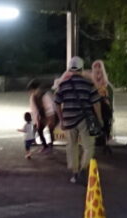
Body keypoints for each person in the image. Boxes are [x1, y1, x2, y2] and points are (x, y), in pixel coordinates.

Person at [53, 56, 102, 184]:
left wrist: (61, 119)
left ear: (70, 68)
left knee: (71, 146)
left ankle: (74, 172)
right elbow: (96, 103)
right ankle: (83, 169)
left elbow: (56, 103)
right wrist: (100, 120)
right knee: (88, 146)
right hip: (84, 119)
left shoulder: (63, 85)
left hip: (69, 120)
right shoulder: (88, 84)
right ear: (81, 69)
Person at [26, 78, 58, 152]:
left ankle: (51, 146)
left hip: (51, 115)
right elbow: (35, 110)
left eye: (32, 90)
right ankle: (45, 146)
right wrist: (36, 120)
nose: (31, 92)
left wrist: (50, 120)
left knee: (50, 129)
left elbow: (50, 108)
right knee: (39, 130)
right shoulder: (33, 97)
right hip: (43, 115)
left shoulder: (45, 95)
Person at [91, 60, 114, 154]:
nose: (97, 69)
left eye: (99, 67)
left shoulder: (105, 82)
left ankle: (106, 141)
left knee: (106, 119)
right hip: (93, 104)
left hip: (103, 103)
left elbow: (106, 95)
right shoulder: (91, 80)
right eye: (95, 67)